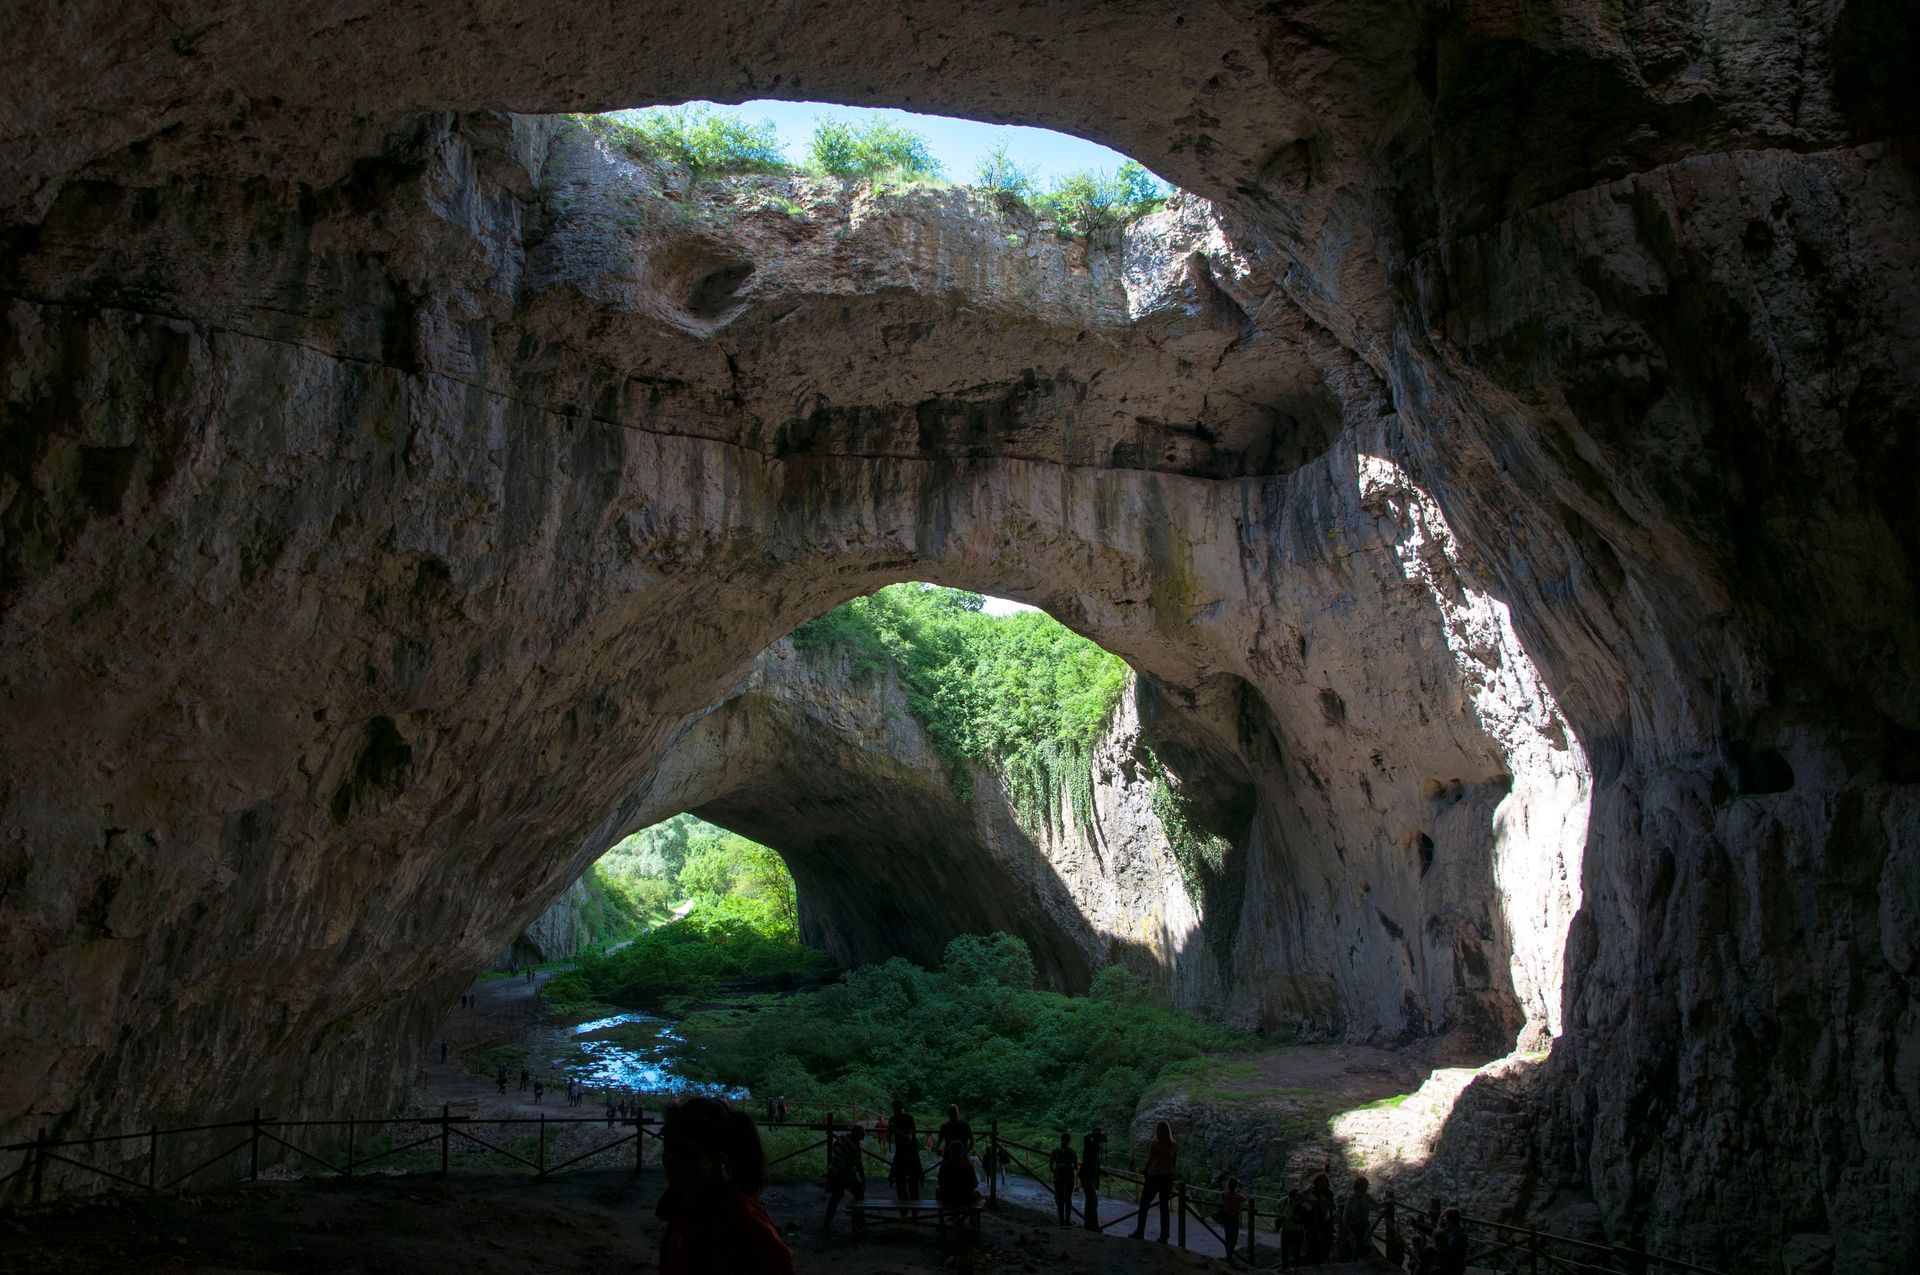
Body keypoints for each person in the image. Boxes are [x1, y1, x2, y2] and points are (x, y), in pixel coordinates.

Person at [656, 1096, 794, 1275]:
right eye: (669, 1146)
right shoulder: (681, 1206)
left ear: (718, 1156)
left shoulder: (743, 1221)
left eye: (689, 1152)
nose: (672, 1159)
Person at [1132, 1119, 1177, 1242]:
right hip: (1167, 1178)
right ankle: (1164, 1236)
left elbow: (1150, 1160)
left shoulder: (1155, 1144)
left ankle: (1140, 1231)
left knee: (1144, 1205)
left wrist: (1145, 1171)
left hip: (1155, 1177)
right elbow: (1174, 1163)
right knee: (1164, 1208)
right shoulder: (1173, 1145)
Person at [823, 1123, 866, 1231]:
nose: (863, 1137)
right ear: (856, 1134)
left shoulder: (842, 1139)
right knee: (859, 1194)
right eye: (861, 1134)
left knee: (835, 1198)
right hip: (845, 1174)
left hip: (835, 1171)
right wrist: (863, 1180)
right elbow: (859, 1166)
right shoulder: (855, 1147)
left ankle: (827, 1222)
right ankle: (859, 1219)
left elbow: (834, 1150)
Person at [887, 1100, 923, 1201]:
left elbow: (908, 1138)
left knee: (912, 1185)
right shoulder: (892, 1119)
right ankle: (906, 1211)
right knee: (901, 1185)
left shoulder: (908, 1118)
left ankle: (910, 1211)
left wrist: (895, 1131)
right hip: (901, 1154)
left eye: (896, 1108)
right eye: (894, 1109)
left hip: (911, 1154)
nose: (895, 1110)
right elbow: (887, 1138)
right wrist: (889, 1132)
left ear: (901, 1108)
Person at [935, 1138, 981, 1206]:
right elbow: (974, 1184)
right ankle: (972, 1215)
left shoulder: (944, 1166)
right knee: (978, 1194)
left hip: (947, 1199)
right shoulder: (968, 1166)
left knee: (937, 1189)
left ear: (950, 1150)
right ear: (962, 1151)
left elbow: (940, 1183)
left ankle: (940, 1214)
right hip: (965, 1199)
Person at [1079, 1127, 1107, 1231]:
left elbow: (1094, 1165)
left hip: (1088, 1177)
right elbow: (1086, 1137)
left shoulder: (1093, 1149)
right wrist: (1095, 1133)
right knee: (1093, 1201)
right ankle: (1093, 1225)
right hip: (1087, 1177)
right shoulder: (1090, 1146)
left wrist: (1101, 1171)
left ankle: (1088, 1224)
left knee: (1090, 1201)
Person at [1047, 1132, 1078, 1227]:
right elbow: (1076, 1167)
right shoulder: (1072, 1152)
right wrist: (1068, 1167)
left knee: (1060, 1199)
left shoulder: (1055, 1151)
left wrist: (1056, 1172)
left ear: (1061, 1139)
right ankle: (1067, 1221)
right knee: (1068, 1200)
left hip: (1058, 1178)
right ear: (1069, 1140)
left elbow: (1050, 1166)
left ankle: (1061, 1222)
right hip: (1069, 1178)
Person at [1306, 1171, 1337, 1263]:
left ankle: (1324, 1260)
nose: (1322, 1183)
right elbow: (1307, 1207)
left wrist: (1325, 1201)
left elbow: (1333, 1207)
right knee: (1313, 1243)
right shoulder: (1312, 1192)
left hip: (1326, 1222)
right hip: (1313, 1222)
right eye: (1320, 1181)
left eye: (1324, 1181)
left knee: (1327, 1243)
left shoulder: (1329, 1194)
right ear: (1316, 1182)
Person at [1341, 1174, 1372, 1259]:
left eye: (1366, 1187)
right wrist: (1346, 1228)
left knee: (1366, 1246)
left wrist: (1388, 1202)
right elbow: (1345, 1216)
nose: (1365, 1189)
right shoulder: (1351, 1200)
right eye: (1363, 1187)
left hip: (1365, 1225)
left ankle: (1359, 1259)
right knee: (1357, 1246)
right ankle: (1356, 1261)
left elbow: (1377, 1206)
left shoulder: (1367, 1197)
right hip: (1354, 1226)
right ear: (1357, 1187)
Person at [1277, 1186, 1306, 1269]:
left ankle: (1296, 1267)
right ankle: (1287, 1266)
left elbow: (1309, 1209)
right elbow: (1279, 1211)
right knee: (1285, 1249)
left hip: (1296, 1229)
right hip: (1287, 1229)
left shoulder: (1301, 1202)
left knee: (1295, 1250)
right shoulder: (1283, 1201)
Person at [1219, 1175, 1246, 1262]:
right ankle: (1229, 1257)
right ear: (1236, 1186)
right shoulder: (1239, 1197)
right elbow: (1245, 1197)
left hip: (1226, 1218)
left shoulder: (1224, 1195)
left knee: (1227, 1238)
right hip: (1234, 1219)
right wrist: (1241, 1189)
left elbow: (1223, 1194)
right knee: (1234, 1239)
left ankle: (1228, 1256)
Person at [1434, 1207, 1468, 1275]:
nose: (1443, 1220)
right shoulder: (1458, 1232)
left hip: (1451, 1268)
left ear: (1449, 1221)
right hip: (1458, 1267)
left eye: (1445, 1218)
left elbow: (1448, 1254)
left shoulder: (1455, 1237)